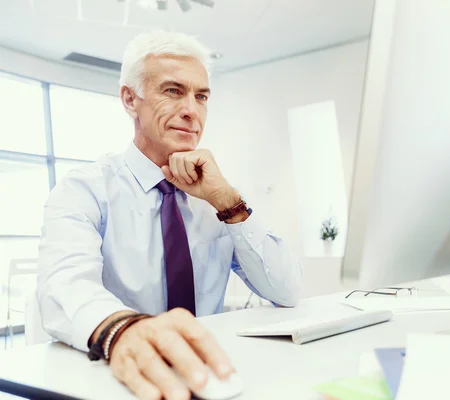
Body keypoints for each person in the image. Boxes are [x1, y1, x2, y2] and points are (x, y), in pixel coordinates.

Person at [37, 31, 303, 400]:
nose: (192, 110)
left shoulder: (217, 196)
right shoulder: (85, 189)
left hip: (213, 375)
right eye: (173, 91)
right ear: (130, 100)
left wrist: (228, 201)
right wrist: (124, 330)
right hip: (120, 379)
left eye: (202, 96)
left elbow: (287, 291)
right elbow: (63, 286)